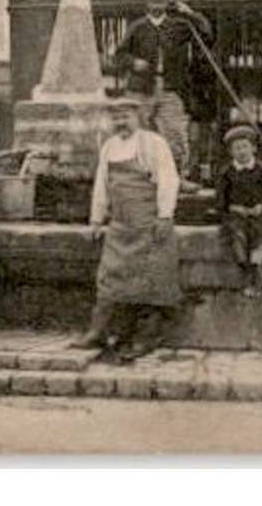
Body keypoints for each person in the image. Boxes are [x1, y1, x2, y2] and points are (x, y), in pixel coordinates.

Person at [72, 96, 182, 363]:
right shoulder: (109, 147)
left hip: (149, 225)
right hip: (120, 227)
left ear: (138, 117)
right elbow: (101, 185)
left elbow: (169, 180)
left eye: (126, 116)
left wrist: (165, 216)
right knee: (109, 279)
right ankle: (98, 331)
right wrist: (97, 220)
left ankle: (145, 338)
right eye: (117, 117)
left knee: (149, 283)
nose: (121, 122)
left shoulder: (153, 144)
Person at [113, 0, 216, 175]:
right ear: (146, 3)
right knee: (137, 131)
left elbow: (206, 34)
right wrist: (134, 62)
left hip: (171, 87)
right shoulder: (137, 27)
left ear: (168, 3)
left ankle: (176, 176)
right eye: (153, 0)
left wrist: (190, 13)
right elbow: (119, 55)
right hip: (141, 88)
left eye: (161, 0)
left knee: (174, 133)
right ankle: (140, 174)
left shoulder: (180, 26)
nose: (157, 4)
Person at [215, 125, 262, 298]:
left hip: (260, 214)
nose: (242, 151)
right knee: (238, 234)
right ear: (231, 152)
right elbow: (220, 200)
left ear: (253, 148)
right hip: (236, 215)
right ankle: (245, 271)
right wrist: (234, 207)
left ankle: (255, 270)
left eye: (245, 146)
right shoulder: (226, 173)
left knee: (260, 235)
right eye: (237, 148)